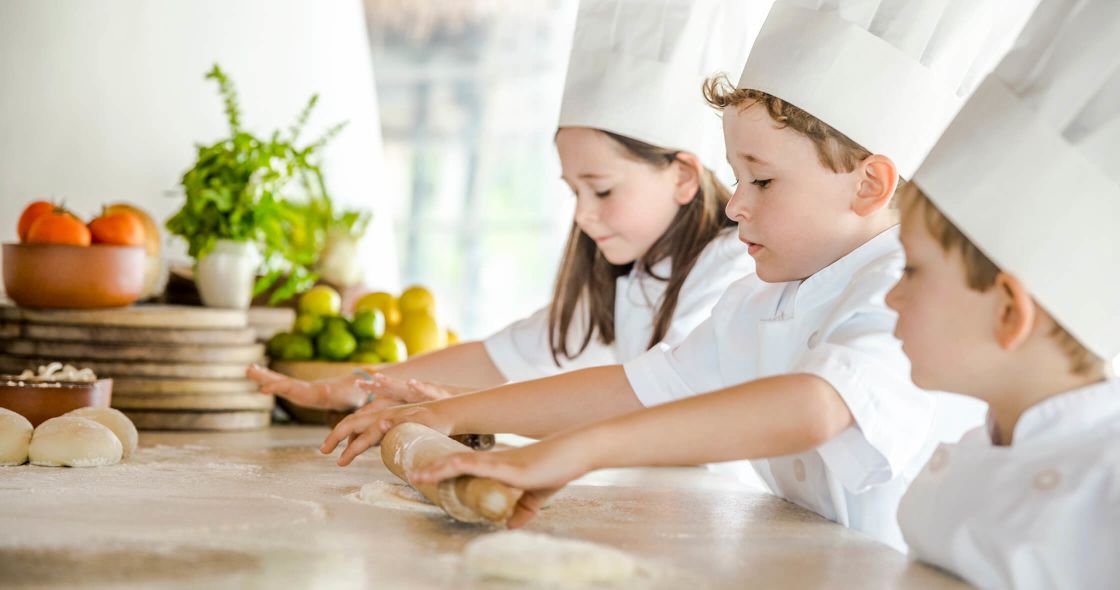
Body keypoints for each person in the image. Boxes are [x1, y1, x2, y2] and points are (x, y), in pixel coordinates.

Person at [324, 0, 1039, 551]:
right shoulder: (762, 294)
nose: (740, 204)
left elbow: (818, 405)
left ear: (869, 184)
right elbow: (640, 385)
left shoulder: (901, 287)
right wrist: (450, 411)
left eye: (761, 179)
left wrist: (573, 453)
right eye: (739, 176)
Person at [247, 0, 765, 414]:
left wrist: (465, 408)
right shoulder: (629, 274)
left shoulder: (732, 265)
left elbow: (653, 393)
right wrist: (358, 384)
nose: (582, 216)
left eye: (601, 190)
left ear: (681, 176)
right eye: (573, 192)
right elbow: (499, 357)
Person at [886, 1, 1120, 586]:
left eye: (912, 271)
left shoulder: (1107, 492)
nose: (892, 297)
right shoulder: (977, 447)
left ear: (1010, 311)